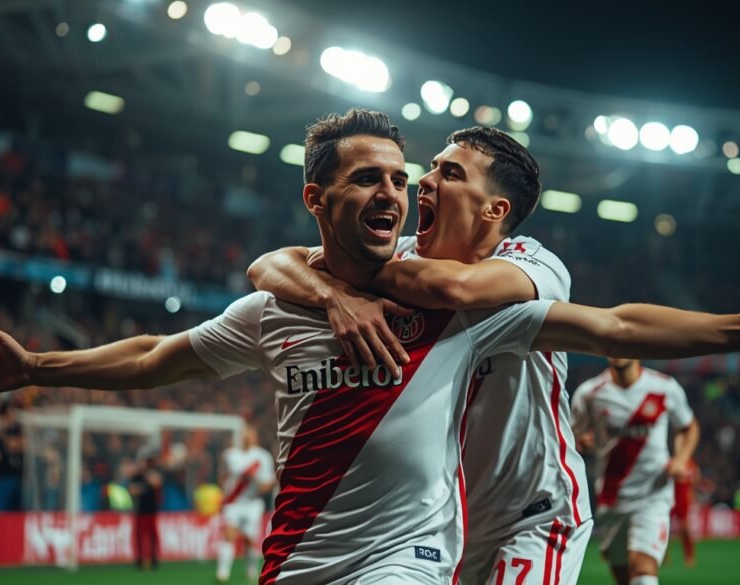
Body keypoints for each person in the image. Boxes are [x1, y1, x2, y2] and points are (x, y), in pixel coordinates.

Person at [0, 109, 740, 585]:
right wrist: (38, 367)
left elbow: (614, 326)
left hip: (524, 514)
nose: (414, 187)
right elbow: (161, 352)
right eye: (389, 178)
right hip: (356, 540)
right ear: (319, 200)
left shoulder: (511, 276)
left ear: (495, 210)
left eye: (431, 175)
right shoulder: (297, 295)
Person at [248, 126, 592, 584]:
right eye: (431, 167)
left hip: (530, 516)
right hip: (451, 524)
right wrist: (334, 293)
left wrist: (357, 278)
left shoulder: (530, 263)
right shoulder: (405, 257)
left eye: (449, 173)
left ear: (494, 209)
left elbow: (455, 287)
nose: (424, 180)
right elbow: (271, 265)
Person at [571, 359, 698, 585]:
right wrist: (581, 442)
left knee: (642, 568)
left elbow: (688, 427)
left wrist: (681, 458)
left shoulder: (664, 387)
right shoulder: (589, 393)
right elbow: (570, 438)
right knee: (624, 577)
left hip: (653, 495)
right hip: (612, 499)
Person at [216, 425, 275, 583]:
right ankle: (223, 572)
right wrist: (224, 489)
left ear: (256, 437)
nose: (246, 437)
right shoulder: (230, 455)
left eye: (250, 435)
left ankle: (251, 569)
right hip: (233, 502)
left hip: (252, 503)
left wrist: (254, 478)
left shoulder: (263, 457)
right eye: (244, 434)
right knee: (229, 534)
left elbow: (267, 485)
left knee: (249, 539)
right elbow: (222, 473)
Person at [128, 454, 163, 570]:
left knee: (152, 535)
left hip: (152, 510)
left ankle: (153, 559)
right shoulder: (137, 476)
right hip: (140, 510)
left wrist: (142, 487)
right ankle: (140, 559)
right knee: (139, 536)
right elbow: (132, 490)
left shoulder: (154, 474)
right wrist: (146, 487)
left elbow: (156, 483)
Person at [669, 457, 699, 567]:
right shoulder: (672, 461)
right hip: (671, 496)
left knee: (684, 528)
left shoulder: (692, 465)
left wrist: (691, 495)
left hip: (682, 497)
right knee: (665, 526)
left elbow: (694, 482)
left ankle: (689, 555)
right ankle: (663, 555)